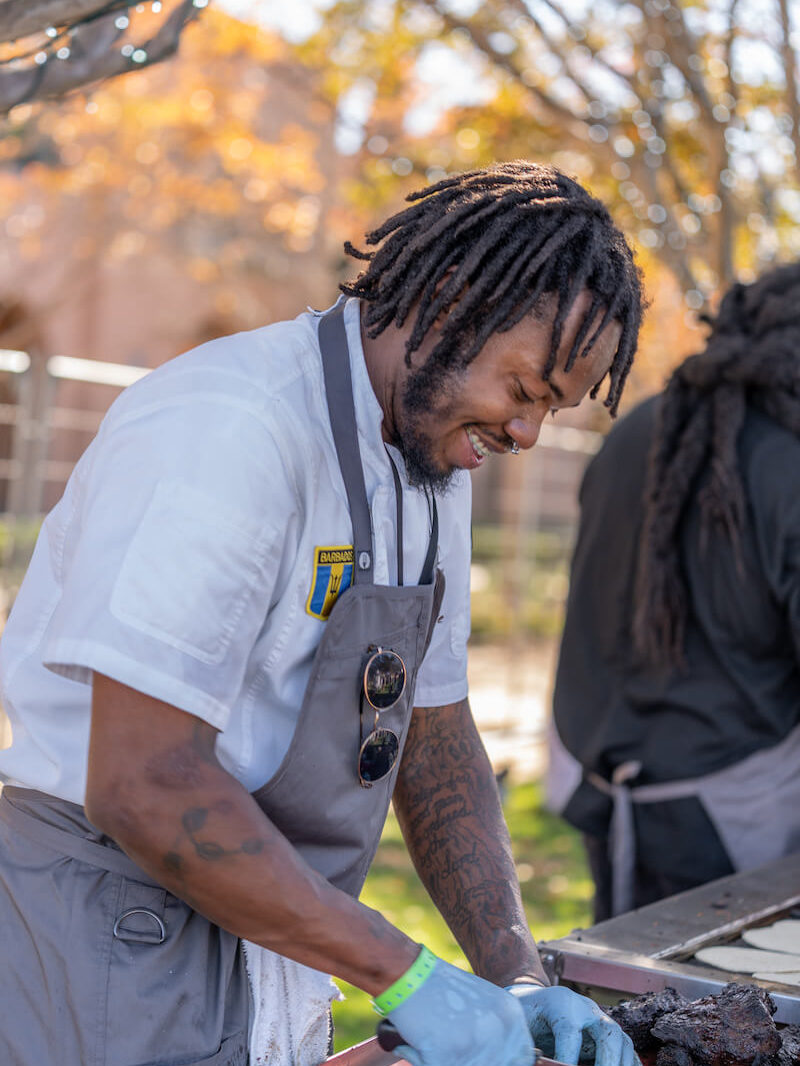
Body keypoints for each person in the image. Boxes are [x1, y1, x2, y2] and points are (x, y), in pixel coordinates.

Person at [0, 161, 643, 1066]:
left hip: (270, 918)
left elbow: (433, 723)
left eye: (553, 410)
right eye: (526, 391)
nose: (528, 433)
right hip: (110, 933)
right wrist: (407, 974)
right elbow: (143, 781)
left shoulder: (430, 456)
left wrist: (515, 972)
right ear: (450, 301)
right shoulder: (232, 424)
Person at [550, 262, 800, 924]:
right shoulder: (790, 463)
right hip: (736, 824)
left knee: (627, 1003)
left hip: (605, 787)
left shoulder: (635, 430)